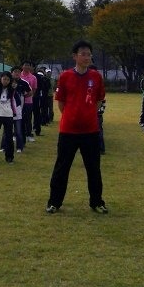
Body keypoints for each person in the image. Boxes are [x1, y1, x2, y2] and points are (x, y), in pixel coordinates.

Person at [46, 40, 108, 215]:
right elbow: (61, 103)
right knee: (61, 168)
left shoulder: (96, 77)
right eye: (83, 54)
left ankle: (97, 202)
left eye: (89, 54)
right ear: (75, 56)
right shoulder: (65, 76)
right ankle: (54, 202)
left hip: (90, 131)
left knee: (93, 168)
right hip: (68, 131)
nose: (87, 57)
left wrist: (87, 114)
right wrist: (72, 115)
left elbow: (99, 100)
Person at [11, 66, 31, 152]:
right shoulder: (8, 81)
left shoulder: (24, 82)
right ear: (11, 73)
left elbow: (30, 92)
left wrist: (24, 96)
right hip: (8, 107)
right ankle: (5, 145)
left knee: (21, 125)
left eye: (18, 72)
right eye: (15, 72)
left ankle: (22, 143)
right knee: (8, 126)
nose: (17, 73)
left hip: (20, 107)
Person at [20, 61, 39, 142]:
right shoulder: (18, 75)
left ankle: (28, 135)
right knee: (18, 118)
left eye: (28, 65)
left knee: (28, 118)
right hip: (18, 102)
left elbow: (34, 89)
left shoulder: (33, 77)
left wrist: (28, 95)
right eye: (25, 65)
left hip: (28, 101)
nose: (27, 67)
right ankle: (16, 134)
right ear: (22, 66)